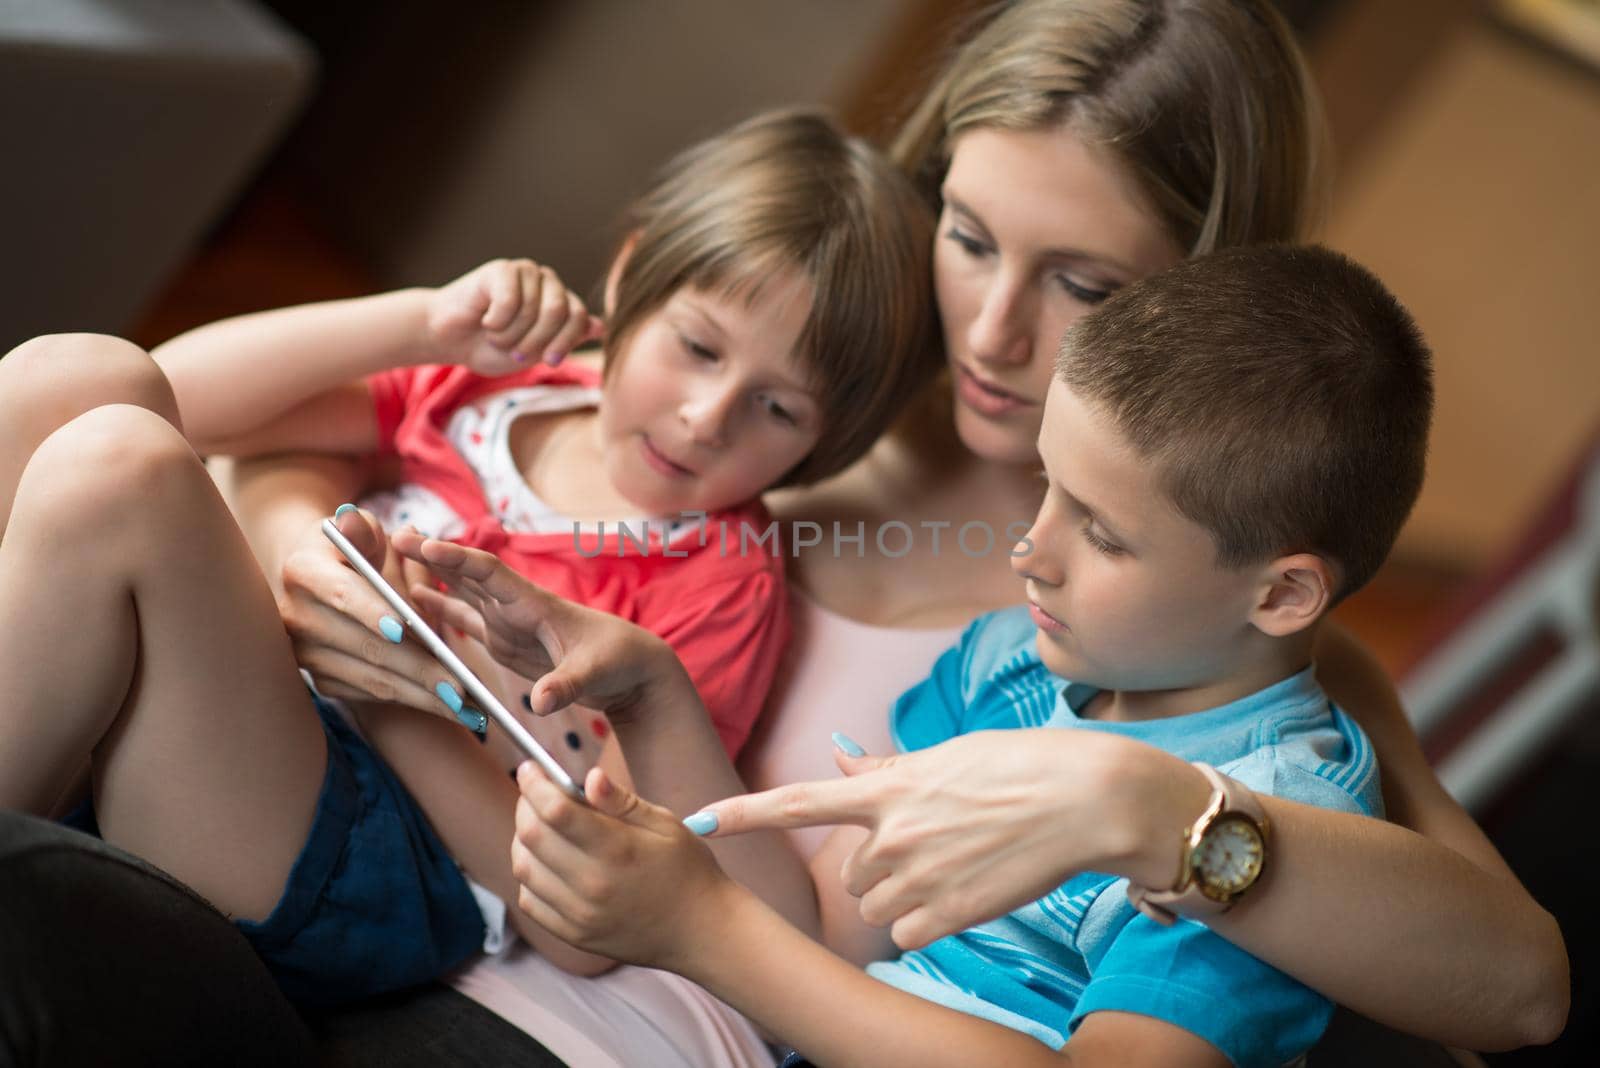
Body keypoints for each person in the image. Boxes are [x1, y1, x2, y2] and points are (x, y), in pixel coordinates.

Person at [223, 0, 1562, 1056]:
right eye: (969, 238)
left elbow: (1516, 988)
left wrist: (1151, 804)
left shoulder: (1189, 628)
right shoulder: (769, 405)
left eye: (1085, 284)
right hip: (364, 882)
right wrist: (307, 549)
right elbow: (350, 438)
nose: (990, 334)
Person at [0, 108, 931, 1004]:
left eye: (779, 409)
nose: (706, 417)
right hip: (248, 705)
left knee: (121, 467)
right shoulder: (505, 383)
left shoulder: (721, 582)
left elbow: (582, 907)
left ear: (825, 442)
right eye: (696, 347)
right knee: (74, 380)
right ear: (631, 271)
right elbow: (177, 391)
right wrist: (419, 322)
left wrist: (399, 683)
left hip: (364, 849)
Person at [474, 242, 1435, 1066]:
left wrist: (701, 929)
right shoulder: (1006, 665)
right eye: (1047, 487)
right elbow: (835, 936)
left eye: (1101, 534)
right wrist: (656, 696)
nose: (1030, 553)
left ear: (1281, 594)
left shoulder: (1261, 836)